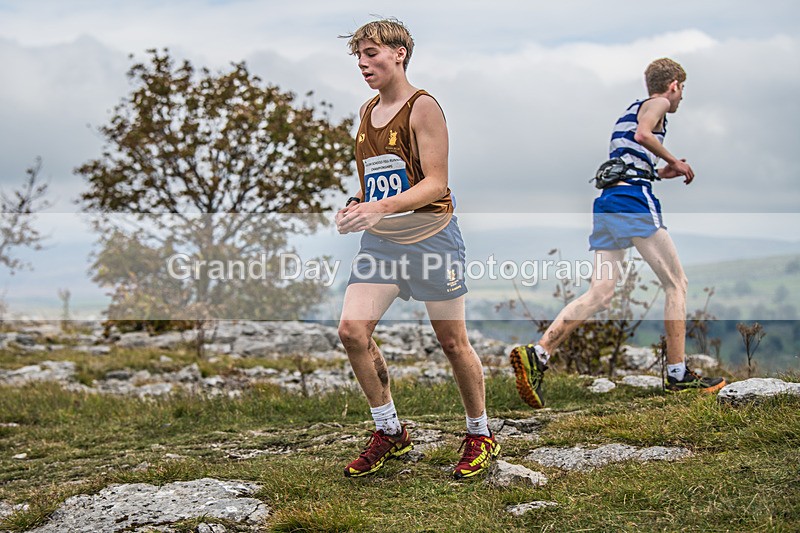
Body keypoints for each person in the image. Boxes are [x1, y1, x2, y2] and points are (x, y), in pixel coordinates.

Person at [510, 58, 726, 409]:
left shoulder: (629, 109)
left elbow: (631, 150)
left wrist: (658, 172)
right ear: (673, 85)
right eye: (682, 89)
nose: (682, 97)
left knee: (600, 292)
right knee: (677, 284)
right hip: (632, 199)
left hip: (608, 201)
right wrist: (676, 163)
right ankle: (677, 375)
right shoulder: (657, 104)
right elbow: (643, 134)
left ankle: (539, 353)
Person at [335, 19, 499, 479]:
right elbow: (382, 184)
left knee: (451, 341)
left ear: (399, 53)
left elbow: (435, 183)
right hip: (384, 242)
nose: (365, 64)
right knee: (352, 331)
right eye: (360, 57)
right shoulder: (368, 113)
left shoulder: (423, 107)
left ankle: (480, 434)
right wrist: (358, 208)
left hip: (432, 237)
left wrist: (377, 206)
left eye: (372, 54)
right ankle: (389, 432)